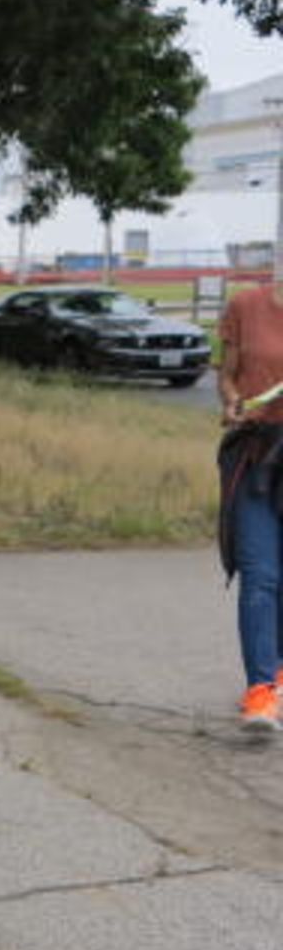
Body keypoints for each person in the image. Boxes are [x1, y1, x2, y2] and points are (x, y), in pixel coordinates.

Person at [216, 278, 283, 730]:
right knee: (260, 575)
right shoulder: (246, 305)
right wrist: (233, 400)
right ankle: (260, 691)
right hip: (256, 454)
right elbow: (226, 375)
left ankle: (278, 676)